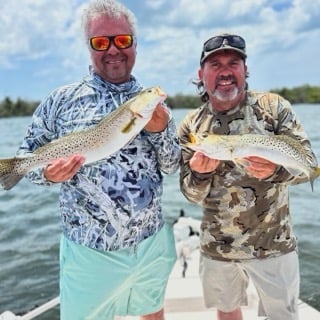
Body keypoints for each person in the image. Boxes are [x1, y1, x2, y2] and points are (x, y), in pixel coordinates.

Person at [18, 0, 181, 319]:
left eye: (122, 40)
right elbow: (26, 158)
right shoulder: (60, 100)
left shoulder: (154, 107)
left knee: (153, 312)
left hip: (151, 245)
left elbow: (172, 164)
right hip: (90, 252)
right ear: (88, 46)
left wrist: (161, 131)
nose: (113, 50)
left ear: (134, 44)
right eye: (100, 42)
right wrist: (49, 176)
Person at [178, 32, 318, 320]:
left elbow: (308, 165)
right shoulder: (192, 125)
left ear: (245, 70)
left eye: (233, 63)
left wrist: (276, 171)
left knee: (283, 315)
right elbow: (190, 194)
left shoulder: (274, 108)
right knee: (227, 312)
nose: (225, 71)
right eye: (215, 65)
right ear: (201, 73)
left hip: (274, 244)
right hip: (218, 247)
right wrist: (200, 175)